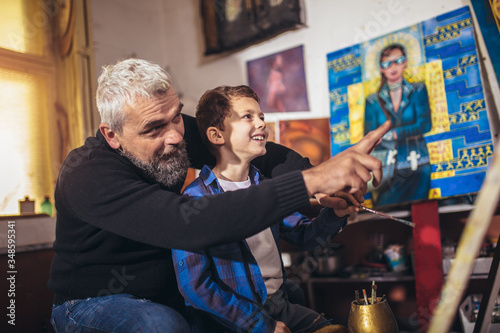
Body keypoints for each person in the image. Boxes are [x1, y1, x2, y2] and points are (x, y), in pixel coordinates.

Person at [48, 58, 390, 332]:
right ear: (112, 134)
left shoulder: (173, 130)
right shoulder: (87, 175)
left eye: (176, 117)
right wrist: (311, 181)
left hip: (169, 293)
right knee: (159, 325)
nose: (175, 137)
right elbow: (189, 224)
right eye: (154, 128)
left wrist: (324, 175)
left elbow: (255, 150)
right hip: (93, 302)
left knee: (278, 301)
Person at [173, 85, 351, 333]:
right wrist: (259, 325)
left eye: (261, 117)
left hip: (280, 306)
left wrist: (336, 214)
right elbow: (195, 287)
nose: (261, 124)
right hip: (234, 320)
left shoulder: (267, 188)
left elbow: (304, 235)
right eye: (248, 117)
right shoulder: (194, 200)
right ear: (216, 135)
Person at [364, 44, 432, 207]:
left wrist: (394, 134)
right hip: (386, 168)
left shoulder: (418, 90)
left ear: (405, 62)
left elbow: (424, 125)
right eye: (387, 63)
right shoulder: (372, 101)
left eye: (398, 61)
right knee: (385, 214)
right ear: (381, 68)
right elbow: (369, 136)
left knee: (420, 212)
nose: (393, 67)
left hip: (416, 163)